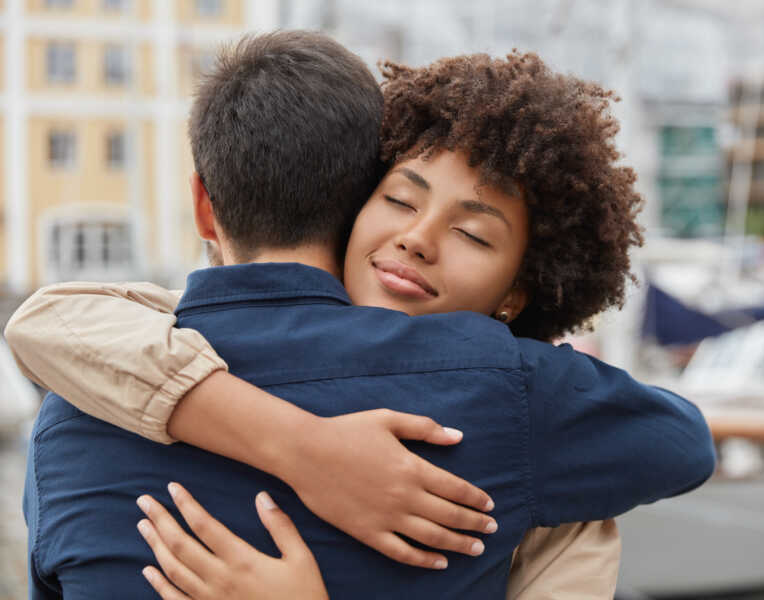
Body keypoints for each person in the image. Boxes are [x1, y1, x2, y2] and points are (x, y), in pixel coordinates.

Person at [7, 33, 715, 600]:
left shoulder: (74, 411)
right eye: (402, 201)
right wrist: (302, 448)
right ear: (354, 201)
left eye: (473, 234)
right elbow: (682, 443)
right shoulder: (517, 402)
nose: (417, 237)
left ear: (203, 204)